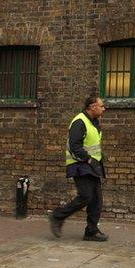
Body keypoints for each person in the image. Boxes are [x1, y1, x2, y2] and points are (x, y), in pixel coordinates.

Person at [49, 95, 108, 241]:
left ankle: (91, 231)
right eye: (101, 106)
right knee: (86, 196)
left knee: (96, 200)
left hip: (92, 165)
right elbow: (74, 145)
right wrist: (88, 158)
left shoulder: (93, 122)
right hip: (80, 165)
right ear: (93, 107)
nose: (104, 108)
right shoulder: (79, 121)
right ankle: (57, 216)